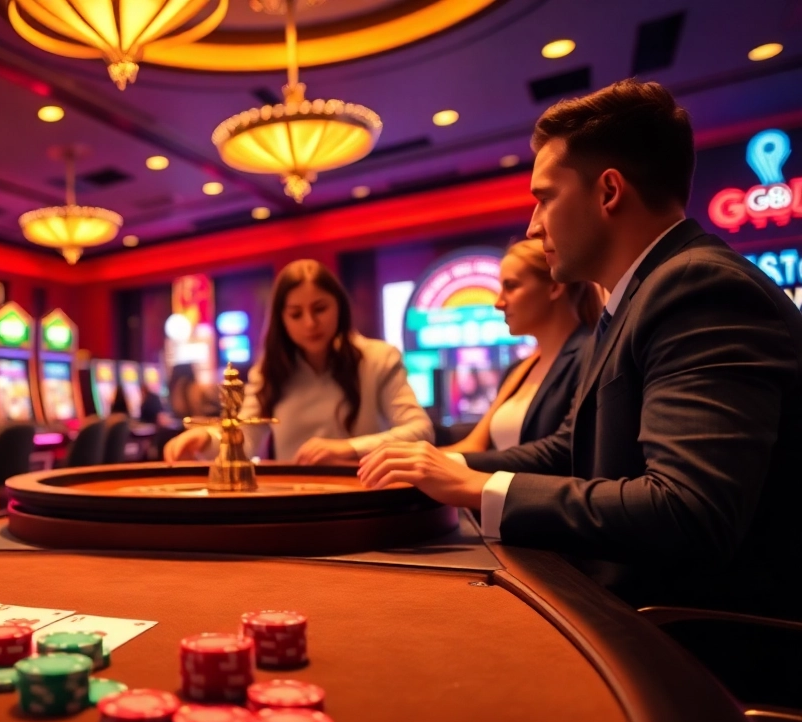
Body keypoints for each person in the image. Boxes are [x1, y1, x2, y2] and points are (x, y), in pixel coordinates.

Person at [358, 79, 802, 619]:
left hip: (697, 640)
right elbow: (568, 449)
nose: (533, 224)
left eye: (544, 197)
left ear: (608, 191)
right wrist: (441, 465)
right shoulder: (636, 296)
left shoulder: (699, 288)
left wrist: (477, 486)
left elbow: (688, 510)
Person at [164, 259, 432, 464]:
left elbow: (421, 430)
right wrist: (205, 440)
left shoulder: (378, 358)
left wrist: (348, 447)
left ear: (339, 306)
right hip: (297, 502)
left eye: (320, 309)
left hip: (366, 498)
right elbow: (244, 441)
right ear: (282, 320)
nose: (310, 323)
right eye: (296, 314)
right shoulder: (271, 370)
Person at [444, 238, 603, 453]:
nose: (498, 303)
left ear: (555, 288)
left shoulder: (591, 354)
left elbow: (562, 454)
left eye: (510, 286)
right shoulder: (517, 369)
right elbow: (477, 445)